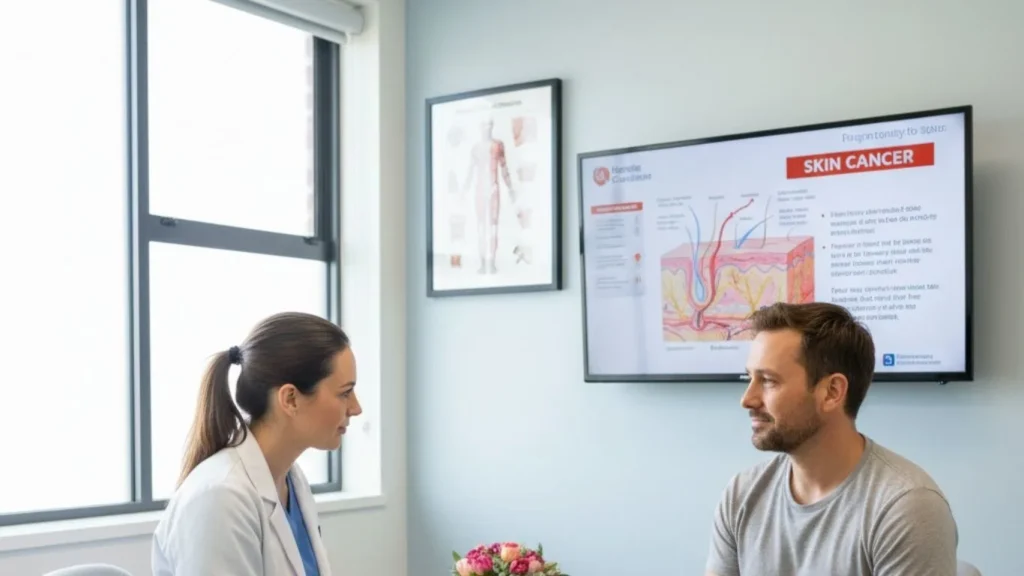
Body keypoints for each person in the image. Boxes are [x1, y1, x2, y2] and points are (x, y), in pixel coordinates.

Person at [705, 302, 958, 576]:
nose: (747, 399)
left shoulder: (907, 508)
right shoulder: (742, 494)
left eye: (768, 381)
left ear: (832, 392)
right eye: (749, 378)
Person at [152, 312, 362, 576]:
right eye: (344, 393)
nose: (356, 408)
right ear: (291, 399)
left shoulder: (292, 482)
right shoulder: (221, 498)